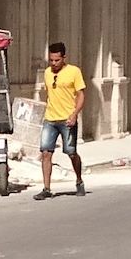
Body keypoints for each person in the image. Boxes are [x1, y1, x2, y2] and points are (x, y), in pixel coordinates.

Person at [37, 40, 87, 196]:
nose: (53, 63)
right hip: (50, 119)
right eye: (51, 60)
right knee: (46, 152)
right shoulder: (47, 73)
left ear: (64, 58)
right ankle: (46, 189)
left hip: (67, 120)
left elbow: (81, 95)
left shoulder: (74, 72)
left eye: (57, 60)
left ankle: (79, 180)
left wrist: (74, 114)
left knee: (71, 152)